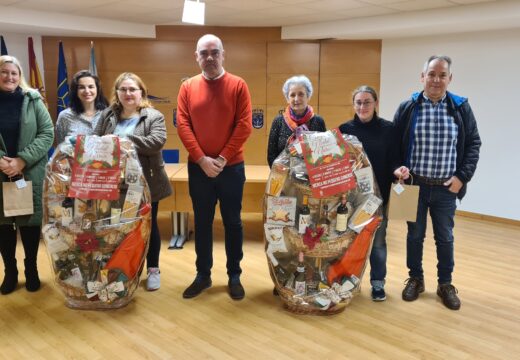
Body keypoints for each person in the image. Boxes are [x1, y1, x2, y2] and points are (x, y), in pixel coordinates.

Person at [393, 55, 481, 310]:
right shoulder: (408, 107)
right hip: (415, 186)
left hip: (446, 188)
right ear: (422, 77)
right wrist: (397, 168)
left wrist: (461, 177)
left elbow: (474, 143)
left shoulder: (461, 107)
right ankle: (416, 279)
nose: (436, 79)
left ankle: (445, 284)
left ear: (449, 79)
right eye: (431, 74)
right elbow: (395, 142)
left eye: (442, 75)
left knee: (445, 238)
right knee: (415, 236)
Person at [177, 34, 252, 300]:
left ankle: (234, 275)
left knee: (233, 222)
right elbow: (183, 125)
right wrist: (201, 159)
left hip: (231, 168)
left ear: (223, 55)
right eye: (204, 53)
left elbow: (245, 125)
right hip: (199, 169)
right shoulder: (187, 87)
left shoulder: (238, 85)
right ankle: (203, 275)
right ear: (196, 56)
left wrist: (221, 159)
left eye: (214, 52)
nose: (209, 57)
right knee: (203, 222)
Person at [94, 72, 172, 291]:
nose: (128, 94)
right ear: (117, 93)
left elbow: (156, 142)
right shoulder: (107, 115)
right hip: (114, 185)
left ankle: (153, 269)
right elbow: (95, 140)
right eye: (123, 90)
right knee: (121, 228)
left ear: (141, 92)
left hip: (147, 182)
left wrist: (122, 140)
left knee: (148, 226)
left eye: (132, 89)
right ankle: (127, 269)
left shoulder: (153, 116)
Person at [0, 55, 54, 294]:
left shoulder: (33, 101)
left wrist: (22, 160)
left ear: (19, 76)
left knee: (28, 224)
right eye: (4, 72)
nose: (9, 77)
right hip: (0, 174)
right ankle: (9, 272)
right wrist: (3, 163)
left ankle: (31, 269)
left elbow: (47, 133)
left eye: (14, 73)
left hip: (27, 173)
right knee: (3, 225)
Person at [339, 85, 398, 302]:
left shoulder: (389, 129)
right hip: (352, 200)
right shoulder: (344, 130)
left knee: (379, 243)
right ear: (353, 104)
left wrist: (398, 169)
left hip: (379, 199)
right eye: (358, 102)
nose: (362, 106)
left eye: (367, 102)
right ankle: (347, 282)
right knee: (349, 242)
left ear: (375, 104)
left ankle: (378, 284)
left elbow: (395, 160)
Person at [267, 75, 326, 167]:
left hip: (310, 178)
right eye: (292, 95)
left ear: (308, 96)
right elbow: (271, 155)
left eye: (301, 94)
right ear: (287, 98)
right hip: (284, 178)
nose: (296, 99)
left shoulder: (318, 121)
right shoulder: (278, 121)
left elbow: (323, 153)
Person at [55, 70, 108, 145]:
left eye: (91, 87)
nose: (87, 91)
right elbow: (62, 147)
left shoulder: (107, 115)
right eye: (81, 87)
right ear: (75, 91)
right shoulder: (64, 117)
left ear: (97, 89)